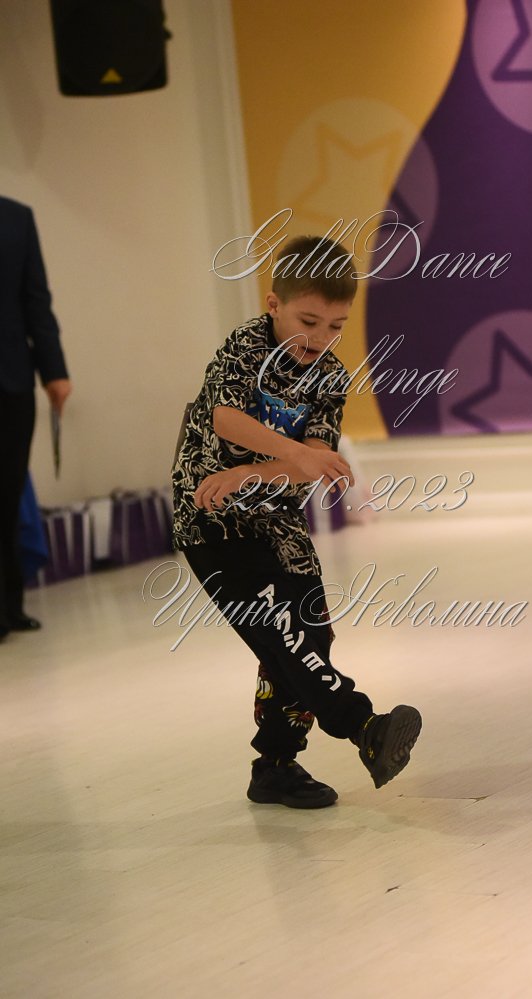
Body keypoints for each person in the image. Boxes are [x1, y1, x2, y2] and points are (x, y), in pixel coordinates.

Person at [172, 235, 422, 808]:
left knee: (308, 637)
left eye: (336, 327)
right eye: (308, 321)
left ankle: (275, 767)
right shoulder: (245, 346)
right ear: (273, 305)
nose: (320, 338)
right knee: (282, 635)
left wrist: (256, 471)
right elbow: (227, 419)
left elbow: (314, 462)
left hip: (277, 520)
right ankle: (364, 727)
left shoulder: (330, 375)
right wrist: (290, 457)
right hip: (212, 521)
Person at [0, 196, 72, 642]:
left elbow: (35, 299)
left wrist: (55, 371)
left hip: (10, 379)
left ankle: (10, 605)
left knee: (8, 495)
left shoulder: (16, 217)